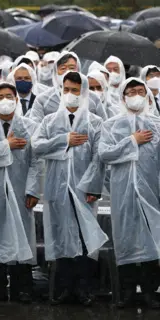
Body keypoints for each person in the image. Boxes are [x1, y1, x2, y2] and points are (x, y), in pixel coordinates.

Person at [31, 71, 108, 306]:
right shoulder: (50, 121)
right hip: (58, 190)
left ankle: (83, 290)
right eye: (66, 90)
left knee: (84, 240)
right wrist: (64, 140)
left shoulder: (95, 123)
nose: (70, 95)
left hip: (84, 192)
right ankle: (64, 289)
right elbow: (36, 146)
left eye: (75, 90)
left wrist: (94, 187)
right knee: (61, 238)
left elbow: (99, 158)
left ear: (83, 92)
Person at [0, 82, 42, 304]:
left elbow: (36, 161)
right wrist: (6, 145)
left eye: (9, 96)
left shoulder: (30, 127)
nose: (5, 101)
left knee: (21, 236)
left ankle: (23, 288)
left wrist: (33, 189)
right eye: (0, 97)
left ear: (16, 99)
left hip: (21, 189)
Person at [98, 78, 160, 309]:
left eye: (139, 91)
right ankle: (125, 292)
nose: (135, 95)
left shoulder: (157, 124)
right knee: (125, 240)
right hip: (123, 193)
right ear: (123, 97)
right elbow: (104, 153)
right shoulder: (111, 125)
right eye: (130, 91)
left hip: (151, 192)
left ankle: (150, 292)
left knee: (152, 241)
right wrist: (132, 141)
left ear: (147, 95)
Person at [29, 51, 107, 123]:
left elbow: (103, 128)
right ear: (56, 72)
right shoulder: (43, 100)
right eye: (63, 68)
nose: (67, 72)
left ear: (78, 70)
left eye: (72, 68)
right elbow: (36, 130)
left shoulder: (93, 99)